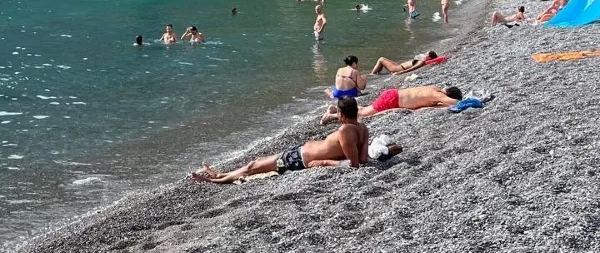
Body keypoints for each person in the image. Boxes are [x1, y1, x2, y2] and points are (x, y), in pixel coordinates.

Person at [191, 98, 371, 184]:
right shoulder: (362, 128)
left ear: (340, 114)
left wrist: (323, 162)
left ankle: (216, 180)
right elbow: (363, 159)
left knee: (253, 166)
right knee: (257, 162)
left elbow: (354, 164)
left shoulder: (345, 130)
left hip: (298, 159)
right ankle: (222, 174)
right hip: (298, 154)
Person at [321, 86, 463, 123]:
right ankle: (333, 115)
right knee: (364, 114)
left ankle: (336, 108)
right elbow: (455, 103)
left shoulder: (434, 88)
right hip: (392, 100)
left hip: (393, 95)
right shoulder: (438, 95)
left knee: (367, 110)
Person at [370, 50, 438, 75]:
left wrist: (400, 73)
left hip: (397, 69)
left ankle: (373, 74)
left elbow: (413, 68)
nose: (424, 54)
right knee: (383, 58)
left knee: (381, 59)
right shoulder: (422, 60)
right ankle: (377, 73)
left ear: (429, 57)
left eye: (426, 54)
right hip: (399, 66)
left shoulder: (422, 61)